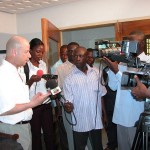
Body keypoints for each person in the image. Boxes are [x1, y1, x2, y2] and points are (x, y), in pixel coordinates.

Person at [0, 36, 50, 150]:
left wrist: (33, 99)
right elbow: (4, 109)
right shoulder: (3, 74)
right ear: (14, 52)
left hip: (24, 127)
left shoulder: (17, 71)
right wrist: (33, 103)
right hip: (12, 130)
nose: (29, 55)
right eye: (27, 51)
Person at [103, 30, 150, 150]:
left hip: (134, 117)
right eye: (126, 42)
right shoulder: (124, 60)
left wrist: (117, 71)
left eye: (131, 43)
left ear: (141, 44)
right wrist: (112, 66)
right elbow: (113, 86)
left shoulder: (146, 61)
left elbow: (138, 90)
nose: (127, 46)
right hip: (120, 116)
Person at [63, 46, 107, 150]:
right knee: (80, 147)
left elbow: (101, 95)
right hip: (80, 122)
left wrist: (105, 115)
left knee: (98, 147)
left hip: (95, 120)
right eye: (75, 56)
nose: (77, 58)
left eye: (81, 56)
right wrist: (68, 106)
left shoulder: (96, 73)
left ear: (87, 57)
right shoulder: (69, 78)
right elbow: (68, 101)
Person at [24, 38, 54, 150]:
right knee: (35, 135)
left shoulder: (43, 64)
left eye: (42, 51)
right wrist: (32, 80)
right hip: (33, 106)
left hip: (46, 103)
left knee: (50, 134)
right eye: (38, 51)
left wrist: (49, 82)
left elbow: (44, 84)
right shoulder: (25, 66)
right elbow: (22, 89)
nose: (40, 54)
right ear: (30, 51)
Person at [55, 42, 79, 150]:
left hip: (82, 106)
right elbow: (56, 89)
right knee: (70, 136)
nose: (73, 53)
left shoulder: (83, 66)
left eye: (75, 50)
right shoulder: (60, 69)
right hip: (68, 107)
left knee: (84, 134)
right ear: (67, 52)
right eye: (70, 51)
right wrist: (60, 105)